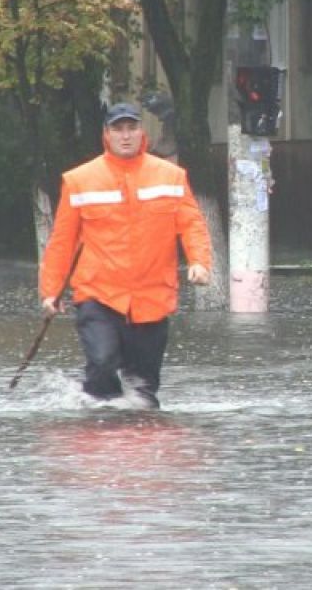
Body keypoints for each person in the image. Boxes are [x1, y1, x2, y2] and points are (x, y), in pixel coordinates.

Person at [39, 102, 212, 408]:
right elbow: (62, 241)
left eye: (131, 128)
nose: (126, 136)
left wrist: (199, 262)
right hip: (99, 293)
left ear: (142, 131)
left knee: (143, 388)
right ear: (107, 134)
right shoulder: (80, 180)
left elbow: (192, 223)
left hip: (152, 296)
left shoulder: (170, 176)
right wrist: (51, 291)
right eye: (118, 129)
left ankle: (137, 438)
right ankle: (96, 414)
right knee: (103, 359)